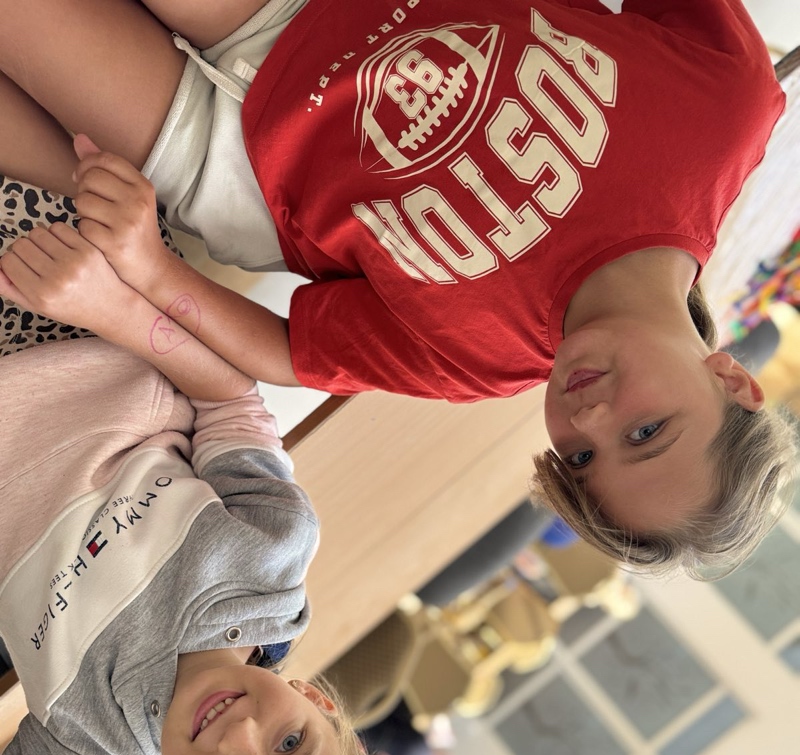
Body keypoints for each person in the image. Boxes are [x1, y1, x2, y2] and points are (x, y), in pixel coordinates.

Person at [0, 0, 796, 580]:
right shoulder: (724, 112)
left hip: (230, 162)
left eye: (582, 457)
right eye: (646, 430)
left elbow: (287, 350)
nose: (588, 420)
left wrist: (151, 269)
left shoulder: (481, 362)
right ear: (731, 379)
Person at [0, 107, 376, 755]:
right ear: (316, 702)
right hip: (69, 319)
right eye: (290, 744)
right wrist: (110, 307)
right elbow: (230, 397)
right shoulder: (271, 556)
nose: (241, 737)